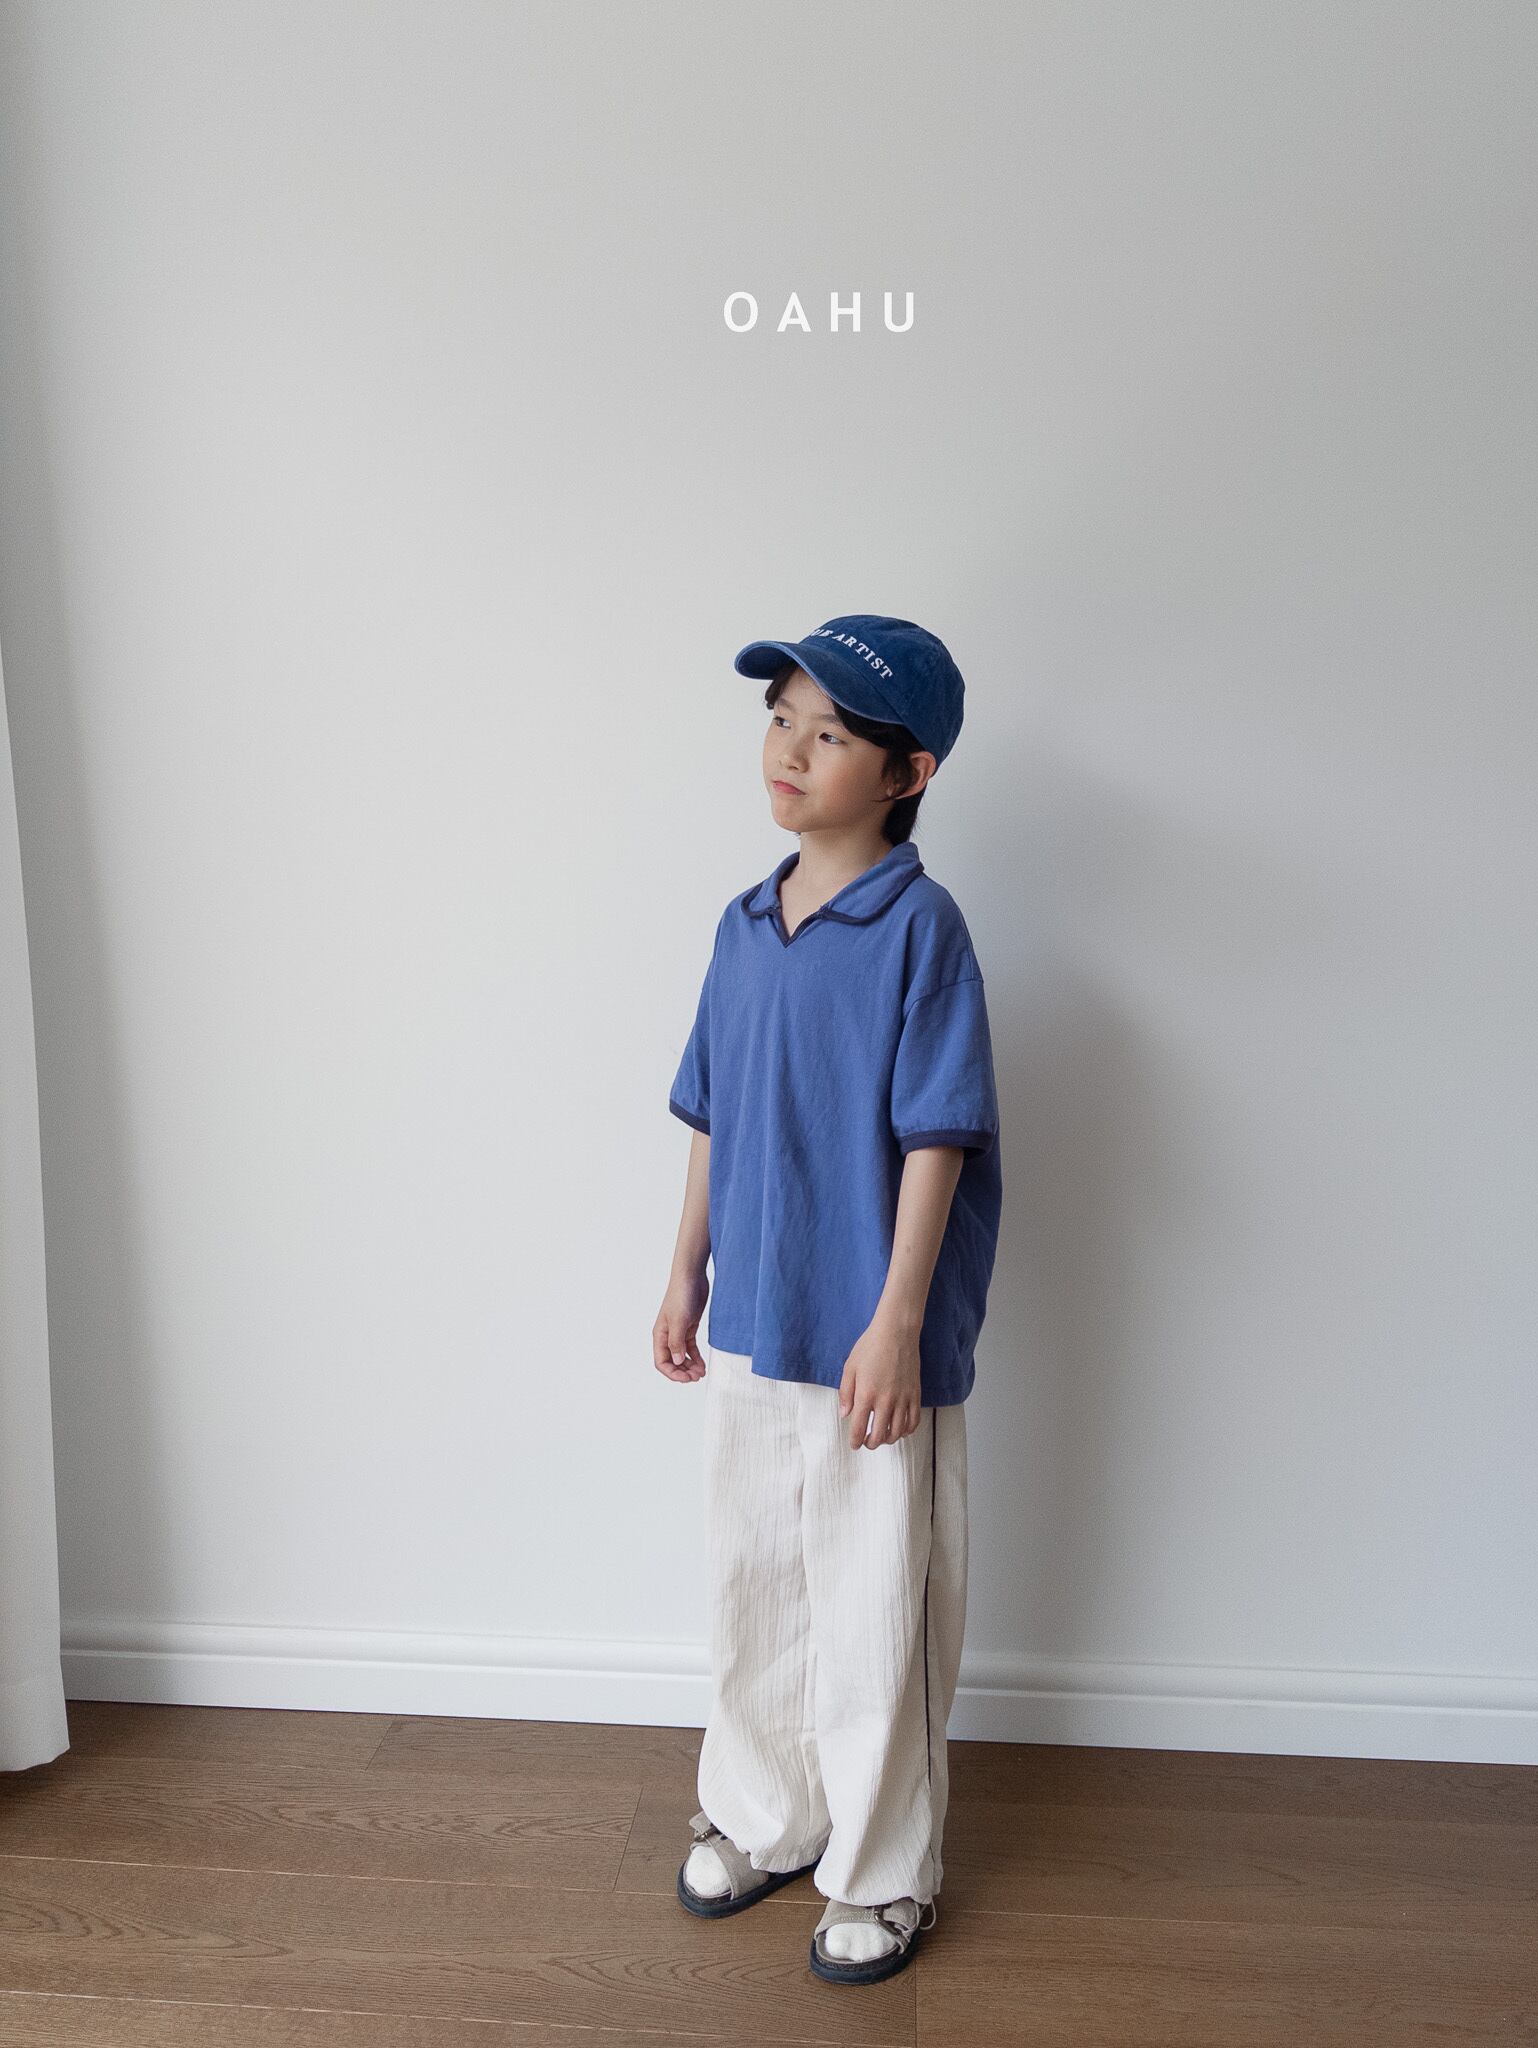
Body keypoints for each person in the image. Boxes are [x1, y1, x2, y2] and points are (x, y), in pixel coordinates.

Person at [653, 614, 1003, 1987]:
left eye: (832, 733)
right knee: (754, 1576)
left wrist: (899, 1320)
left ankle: (879, 1865)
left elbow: (939, 1135)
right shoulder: (743, 926)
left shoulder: (922, 930)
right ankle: (761, 1813)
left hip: (870, 1331)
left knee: (873, 1602)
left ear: (908, 774)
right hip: (756, 1312)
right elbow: (711, 1111)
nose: (790, 750)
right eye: (781, 718)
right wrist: (685, 1266)